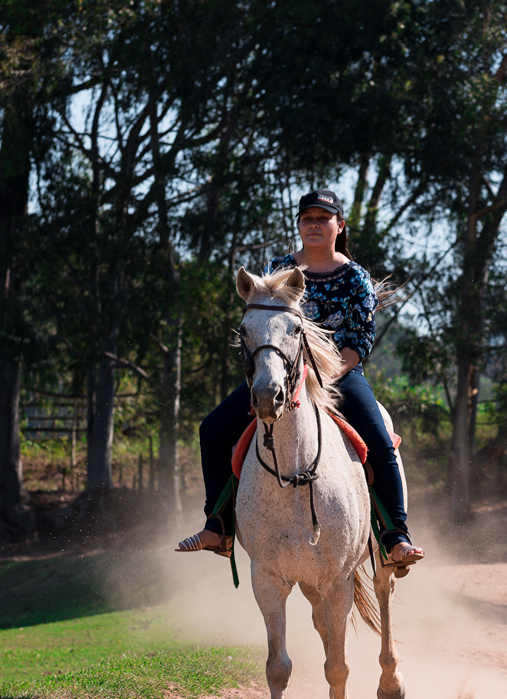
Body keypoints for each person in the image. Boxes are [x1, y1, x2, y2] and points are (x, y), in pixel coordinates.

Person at [176, 189, 424, 573]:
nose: (314, 225)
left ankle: (395, 537)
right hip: (279, 376)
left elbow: (359, 340)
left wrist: (322, 377)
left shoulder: (355, 277)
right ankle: (219, 526)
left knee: (378, 439)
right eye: (307, 218)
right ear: (299, 225)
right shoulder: (280, 268)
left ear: (339, 226)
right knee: (212, 430)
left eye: (323, 218)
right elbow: (265, 326)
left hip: (339, 377)